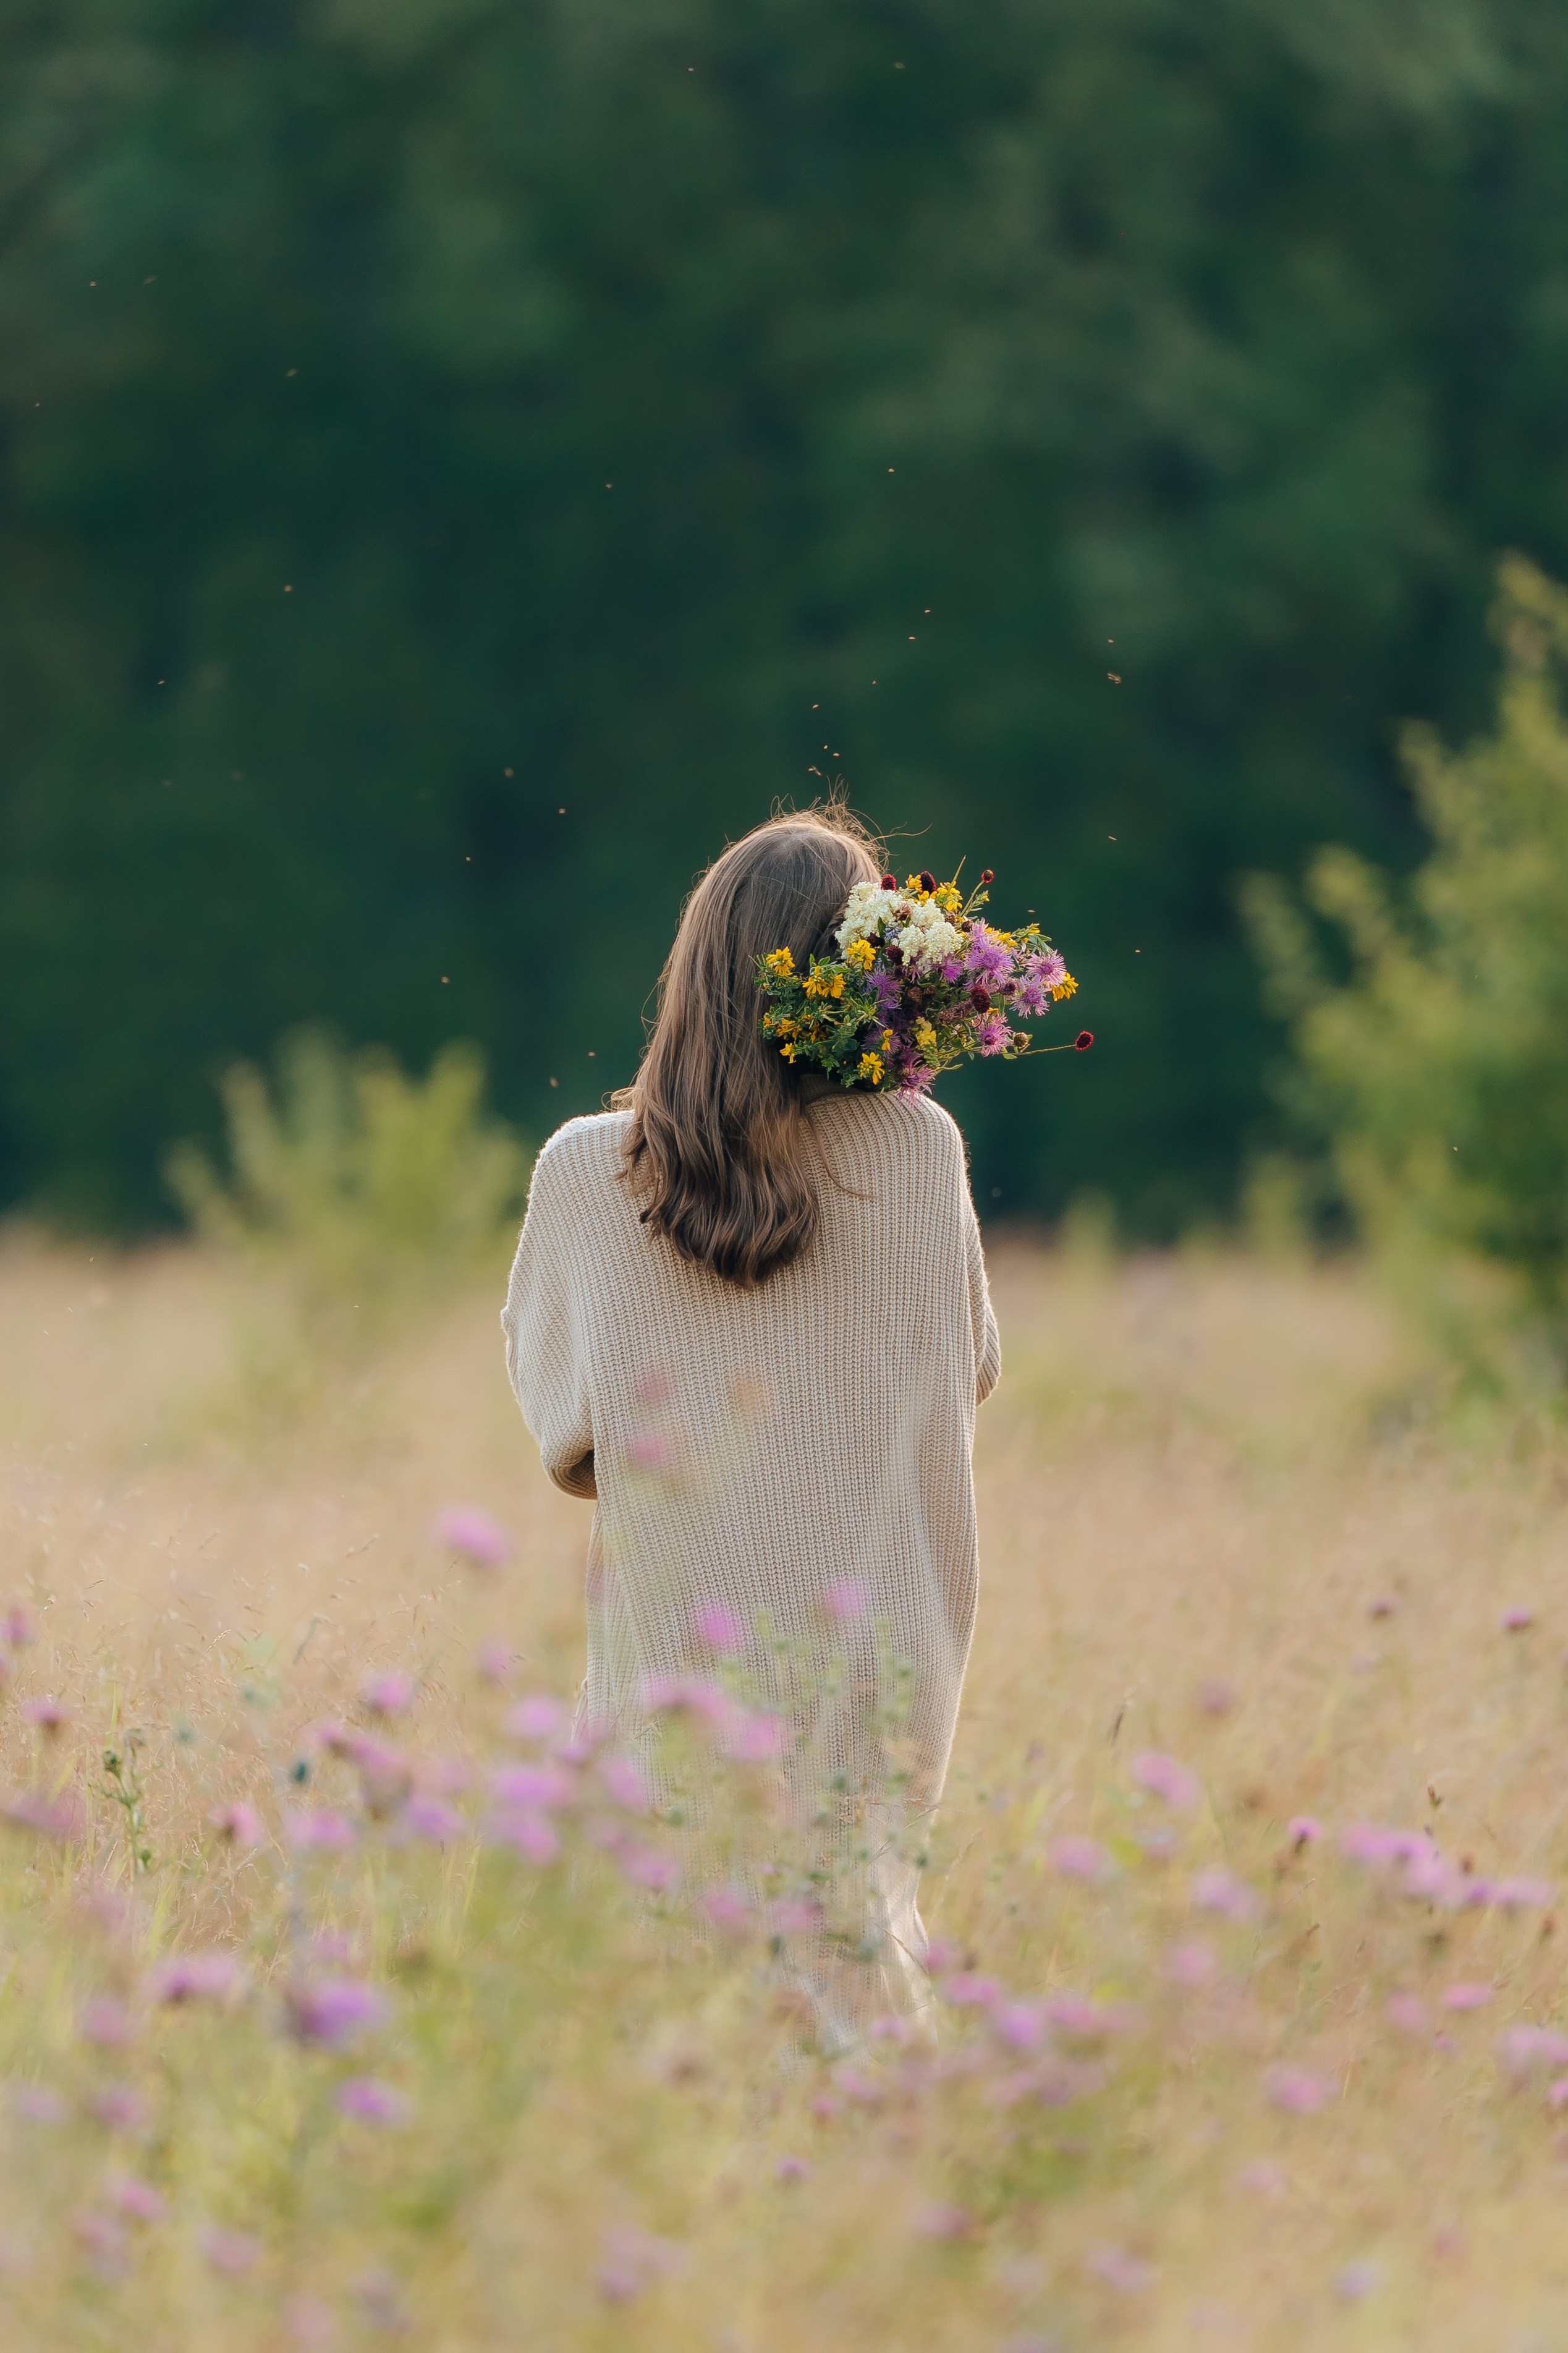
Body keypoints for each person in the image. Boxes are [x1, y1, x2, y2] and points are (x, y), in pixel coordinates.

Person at [502, 807, 999, 2041]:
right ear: (864, 973)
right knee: (852, 1964)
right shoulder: (921, 1148)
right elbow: (969, 1368)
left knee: (663, 2002)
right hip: (880, 1652)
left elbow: (566, 1435)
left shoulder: (582, 1171)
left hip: (676, 1660)